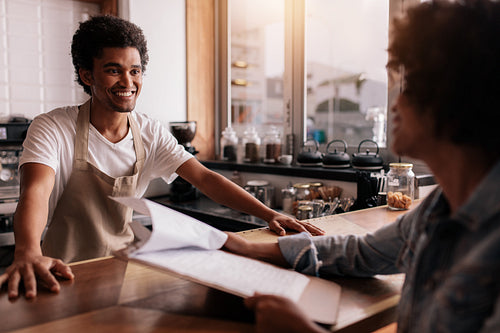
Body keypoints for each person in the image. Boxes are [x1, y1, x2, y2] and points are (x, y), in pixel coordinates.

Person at [0, 15, 324, 299]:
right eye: (114, 71)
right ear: (88, 76)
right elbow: (36, 192)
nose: (128, 82)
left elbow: (204, 177)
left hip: (123, 270)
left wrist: (269, 214)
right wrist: (27, 252)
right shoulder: (54, 126)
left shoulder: (149, 132)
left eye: (135, 71)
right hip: (59, 272)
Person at [223, 0, 500, 332]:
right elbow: (359, 252)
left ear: (459, 98)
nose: (395, 103)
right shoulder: (436, 212)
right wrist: (249, 248)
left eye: (410, 87)